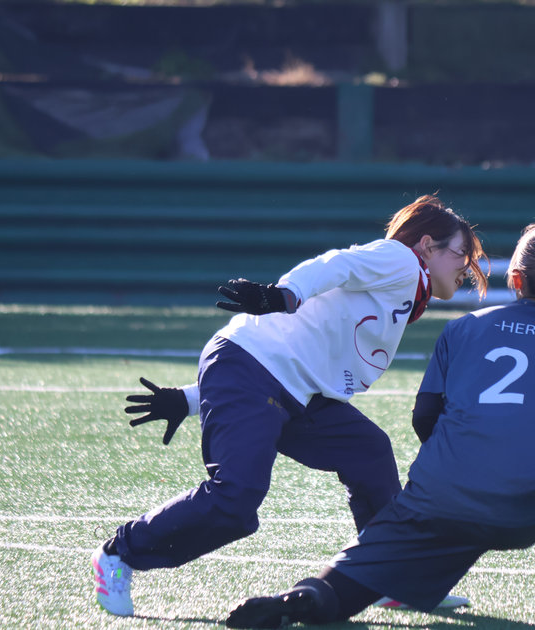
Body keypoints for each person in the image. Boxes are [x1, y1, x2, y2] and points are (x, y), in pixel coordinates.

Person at [92, 195, 488, 617]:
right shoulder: (402, 261)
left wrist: (190, 398)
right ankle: (119, 552)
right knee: (235, 501)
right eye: (461, 253)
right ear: (426, 246)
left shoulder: (405, 288)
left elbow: (301, 351)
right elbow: (336, 263)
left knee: (369, 450)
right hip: (253, 370)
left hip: (288, 389)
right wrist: (284, 295)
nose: (467, 266)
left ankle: (387, 579)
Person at [224, 222, 535, 629]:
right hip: (529, 510)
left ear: (516, 279)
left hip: (441, 496)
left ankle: (312, 596)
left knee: (362, 574)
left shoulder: (464, 327)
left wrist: (452, 470)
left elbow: (424, 416)